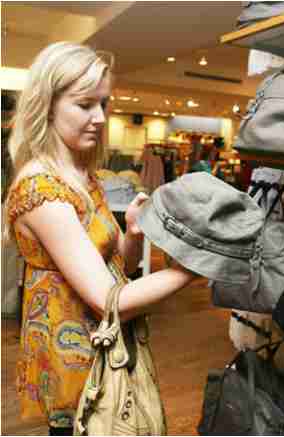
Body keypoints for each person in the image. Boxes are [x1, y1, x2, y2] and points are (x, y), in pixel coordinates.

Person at [3, 42, 196, 435]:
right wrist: (194, 267)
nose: (101, 118)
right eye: (85, 104)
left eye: (103, 104)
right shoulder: (42, 189)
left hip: (101, 346)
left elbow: (112, 265)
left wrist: (132, 231)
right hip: (74, 359)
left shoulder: (80, 172)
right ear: (48, 104)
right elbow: (111, 301)